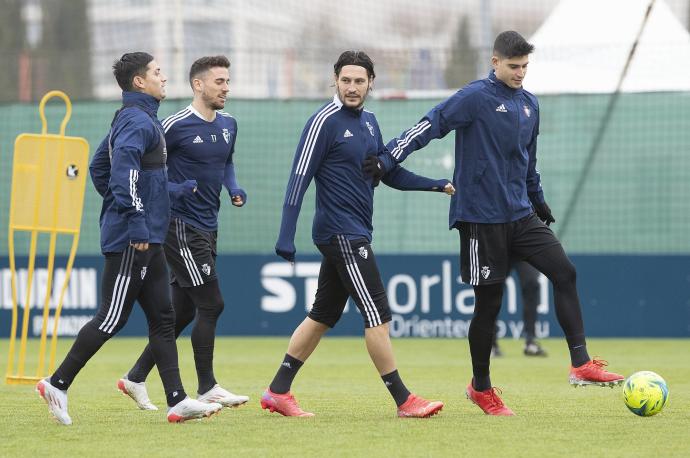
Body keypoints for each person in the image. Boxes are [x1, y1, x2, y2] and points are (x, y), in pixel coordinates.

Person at [378, 31, 624, 416]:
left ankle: (580, 363)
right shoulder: (475, 97)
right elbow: (431, 124)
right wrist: (388, 156)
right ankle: (481, 387)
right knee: (489, 306)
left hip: (521, 214)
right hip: (480, 218)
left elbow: (529, 159)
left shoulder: (530, 104)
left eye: (525, 66)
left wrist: (537, 198)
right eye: (513, 66)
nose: (520, 73)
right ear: (495, 63)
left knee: (565, 272)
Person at [36, 52, 222, 425]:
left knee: (164, 318)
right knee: (111, 317)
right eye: (157, 72)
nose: (164, 77)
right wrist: (133, 218)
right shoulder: (137, 121)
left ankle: (177, 400)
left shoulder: (137, 119)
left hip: (147, 236)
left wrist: (166, 193)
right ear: (140, 82)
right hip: (132, 239)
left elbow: (100, 168)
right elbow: (122, 171)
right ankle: (56, 383)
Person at [263, 50, 449, 418]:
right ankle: (404, 400)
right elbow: (298, 179)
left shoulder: (370, 122)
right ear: (335, 81)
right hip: (340, 232)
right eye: (345, 80)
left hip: (355, 231)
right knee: (377, 312)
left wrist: (436, 185)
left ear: (370, 84)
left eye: (359, 81)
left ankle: (277, 391)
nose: (352, 87)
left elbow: (387, 173)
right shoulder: (323, 121)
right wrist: (286, 235)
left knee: (322, 315)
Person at [115, 55, 249, 411]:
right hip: (179, 225)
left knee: (185, 311)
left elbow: (227, 162)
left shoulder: (229, 124)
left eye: (227, 81)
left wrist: (232, 187)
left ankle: (135, 377)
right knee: (212, 303)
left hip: (209, 224)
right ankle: (207, 387)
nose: (226, 88)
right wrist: (173, 191)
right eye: (219, 81)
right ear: (198, 85)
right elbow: (150, 166)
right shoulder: (172, 125)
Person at [491, 261, 547, 357]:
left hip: (522, 248)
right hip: (500, 249)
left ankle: (530, 342)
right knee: (492, 289)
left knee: (532, 283)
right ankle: (490, 345)